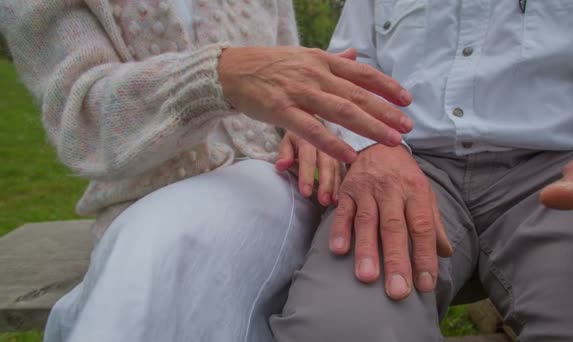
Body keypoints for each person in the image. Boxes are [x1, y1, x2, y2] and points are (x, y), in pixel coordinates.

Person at [0, 0, 417, 341]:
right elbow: (84, 124)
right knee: (154, 265)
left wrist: (305, 125)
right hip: (148, 206)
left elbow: (289, 78)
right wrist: (216, 77)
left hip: (286, 184)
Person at [271, 1, 573, 341]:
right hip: (399, 164)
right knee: (341, 328)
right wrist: (370, 145)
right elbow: (348, 63)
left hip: (560, 175)